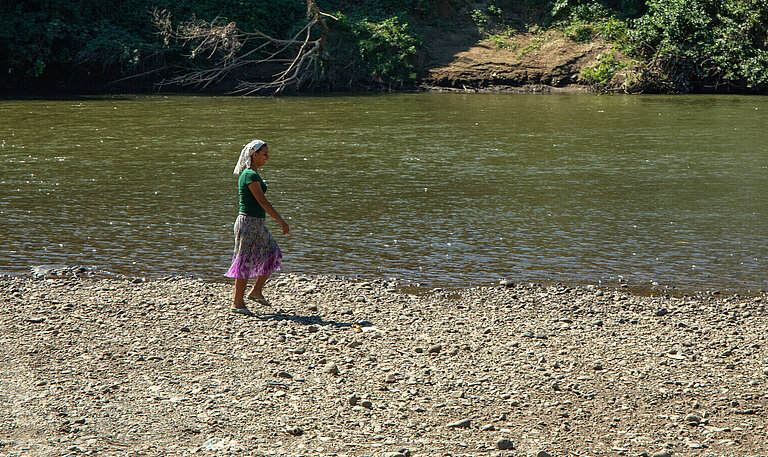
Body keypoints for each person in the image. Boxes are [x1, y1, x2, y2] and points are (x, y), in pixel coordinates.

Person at [225, 139, 290, 315]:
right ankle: (237, 303)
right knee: (243, 261)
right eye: (265, 154)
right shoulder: (249, 175)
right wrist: (280, 220)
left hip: (256, 223)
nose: (267, 158)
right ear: (255, 155)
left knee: (273, 254)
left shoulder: (252, 174)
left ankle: (256, 291)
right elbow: (261, 200)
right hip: (248, 223)